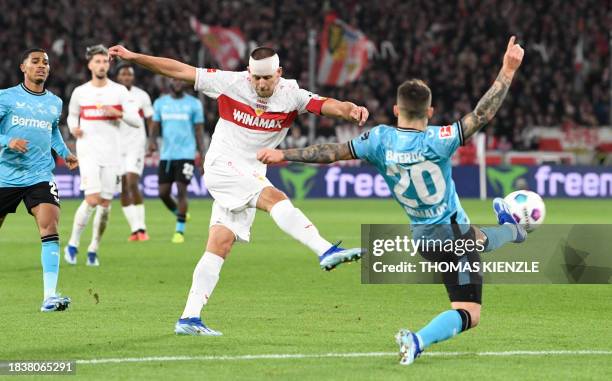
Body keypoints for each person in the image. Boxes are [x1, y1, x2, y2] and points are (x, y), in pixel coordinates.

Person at [257, 37, 526, 365]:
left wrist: (284, 153)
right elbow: (481, 115)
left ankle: (512, 229)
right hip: (452, 235)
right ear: (430, 111)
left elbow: (330, 153)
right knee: (470, 312)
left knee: (479, 239)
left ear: (397, 109)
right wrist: (507, 70)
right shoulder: (439, 139)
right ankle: (418, 340)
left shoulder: (379, 139)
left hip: (425, 239)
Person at [109, 44, 368, 335]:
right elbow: (178, 69)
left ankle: (189, 318)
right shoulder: (230, 83)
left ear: (278, 74)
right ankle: (324, 250)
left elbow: (327, 105)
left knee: (220, 243)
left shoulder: (292, 94)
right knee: (275, 198)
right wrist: (135, 57)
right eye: (256, 78)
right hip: (222, 166)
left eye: (267, 78)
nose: (260, 84)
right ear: (248, 73)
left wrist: (350, 110)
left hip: (250, 172)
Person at [0, 48, 78, 312]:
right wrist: (7, 140)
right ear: (23, 67)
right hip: (5, 175)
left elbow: (53, 130)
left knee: (50, 227)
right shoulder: (6, 97)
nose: (42, 66)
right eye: (35, 62)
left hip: (40, 175)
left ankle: (49, 296)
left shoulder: (55, 102)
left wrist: (65, 152)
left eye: (45, 62)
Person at [64, 45, 141, 266]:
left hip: (113, 154)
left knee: (105, 205)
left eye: (105, 62)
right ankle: (73, 244)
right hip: (88, 151)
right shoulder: (81, 92)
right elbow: (71, 116)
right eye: (97, 62)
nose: (101, 65)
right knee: (92, 199)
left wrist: (118, 113)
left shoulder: (119, 91)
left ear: (109, 65)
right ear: (90, 65)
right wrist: (73, 128)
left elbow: (136, 121)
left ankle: (93, 248)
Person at [149, 78, 205, 243]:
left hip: (186, 155)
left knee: (181, 191)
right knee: (163, 193)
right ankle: (181, 215)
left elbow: (199, 132)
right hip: (166, 155)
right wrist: (151, 141)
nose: (178, 83)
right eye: (174, 80)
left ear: (185, 83)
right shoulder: (160, 103)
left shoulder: (194, 104)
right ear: (169, 83)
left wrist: (202, 155)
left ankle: (179, 231)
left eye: (181, 81)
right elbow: (154, 126)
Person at [115, 62, 153, 242]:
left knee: (132, 182)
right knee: (123, 186)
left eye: (129, 74)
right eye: (123, 74)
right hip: (116, 146)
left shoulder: (141, 95)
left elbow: (150, 119)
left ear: (133, 77)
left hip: (136, 145)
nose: (126, 77)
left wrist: (152, 141)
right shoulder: (111, 94)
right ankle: (134, 230)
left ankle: (142, 227)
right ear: (118, 77)